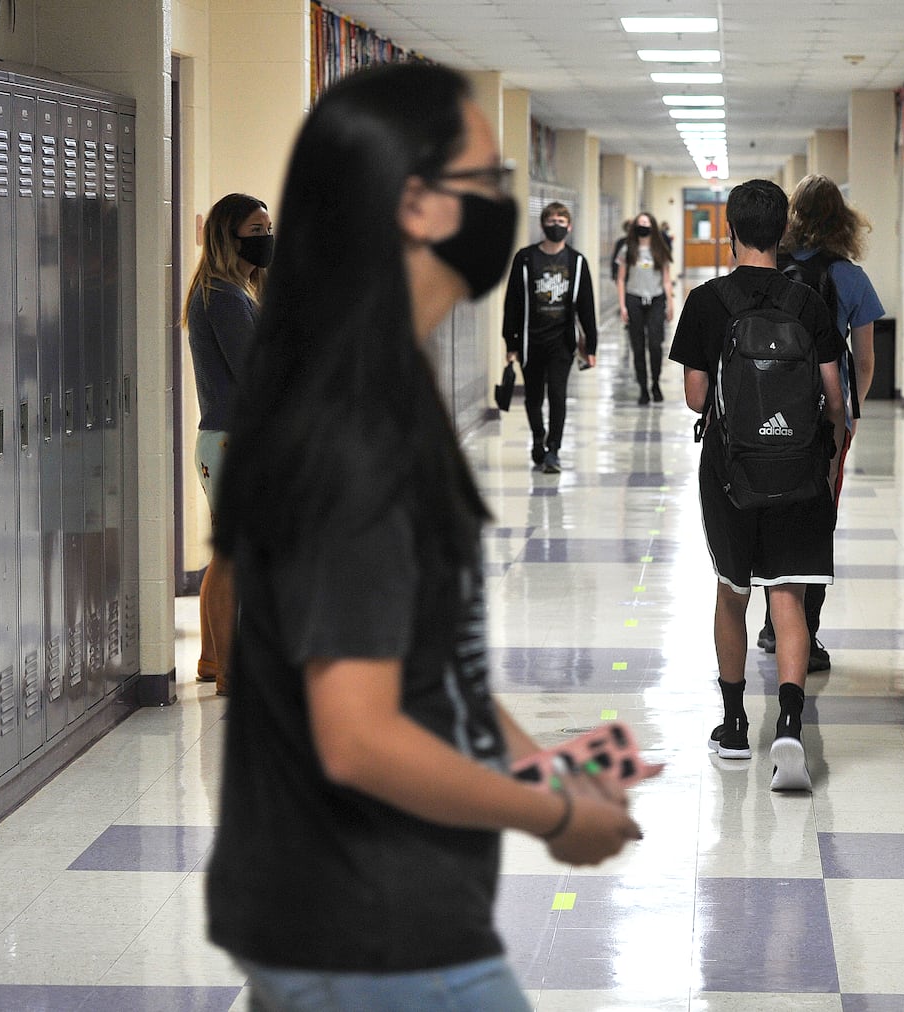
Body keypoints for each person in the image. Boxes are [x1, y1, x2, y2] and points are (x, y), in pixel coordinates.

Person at [205, 62, 646, 1010]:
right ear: (416, 205)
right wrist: (554, 812)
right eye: (487, 184)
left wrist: (546, 761)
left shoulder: (376, 387)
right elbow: (359, 739)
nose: (506, 208)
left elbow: (430, 670)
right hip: (373, 928)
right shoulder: (349, 426)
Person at [669, 179, 845, 793]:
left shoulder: (706, 301)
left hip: (730, 471)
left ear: (731, 229)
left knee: (732, 592)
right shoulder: (809, 303)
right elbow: (834, 398)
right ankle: (791, 725)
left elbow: (696, 396)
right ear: (783, 232)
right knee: (787, 597)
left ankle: (736, 726)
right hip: (797, 471)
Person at [754, 174, 886, 672]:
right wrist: (847, 414)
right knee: (816, 518)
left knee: (769, 511)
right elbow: (866, 359)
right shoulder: (850, 277)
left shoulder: (769, 269)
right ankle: (805, 633)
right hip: (824, 417)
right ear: (843, 220)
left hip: (766, 410)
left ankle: (772, 623)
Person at [183, 192, 272, 696]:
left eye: (267, 229)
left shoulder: (229, 291)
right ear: (228, 236)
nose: (266, 240)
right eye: (256, 232)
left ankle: (214, 659)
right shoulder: (224, 297)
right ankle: (231, 669)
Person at [501, 201, 598, 474]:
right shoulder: (525, 258)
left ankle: (553, 449)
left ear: (569, 226)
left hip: (561, 343)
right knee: (533, 397)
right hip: (531, 342)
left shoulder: (577, 262)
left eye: (561, 221)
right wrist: (511, 342)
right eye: (551, 220)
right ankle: (537, 438)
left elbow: (586, 306)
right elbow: (513, 303)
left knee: (557, 394)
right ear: (543, 224)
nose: (556, 225)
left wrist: (590, 345)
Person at [615, 211, 675, 405]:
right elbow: (621, 279)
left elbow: (666, 280)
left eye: (647, 222)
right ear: (635, 226)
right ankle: (643, 388)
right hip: (634, 299)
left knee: (655, 345)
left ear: (653, 226)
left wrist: (670, 304)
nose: (643, 225)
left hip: (656, 300)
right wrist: (622, 305)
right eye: (640, 222)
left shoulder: (660, 249)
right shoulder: (627, 249)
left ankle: (655, 383)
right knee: (638, 346)